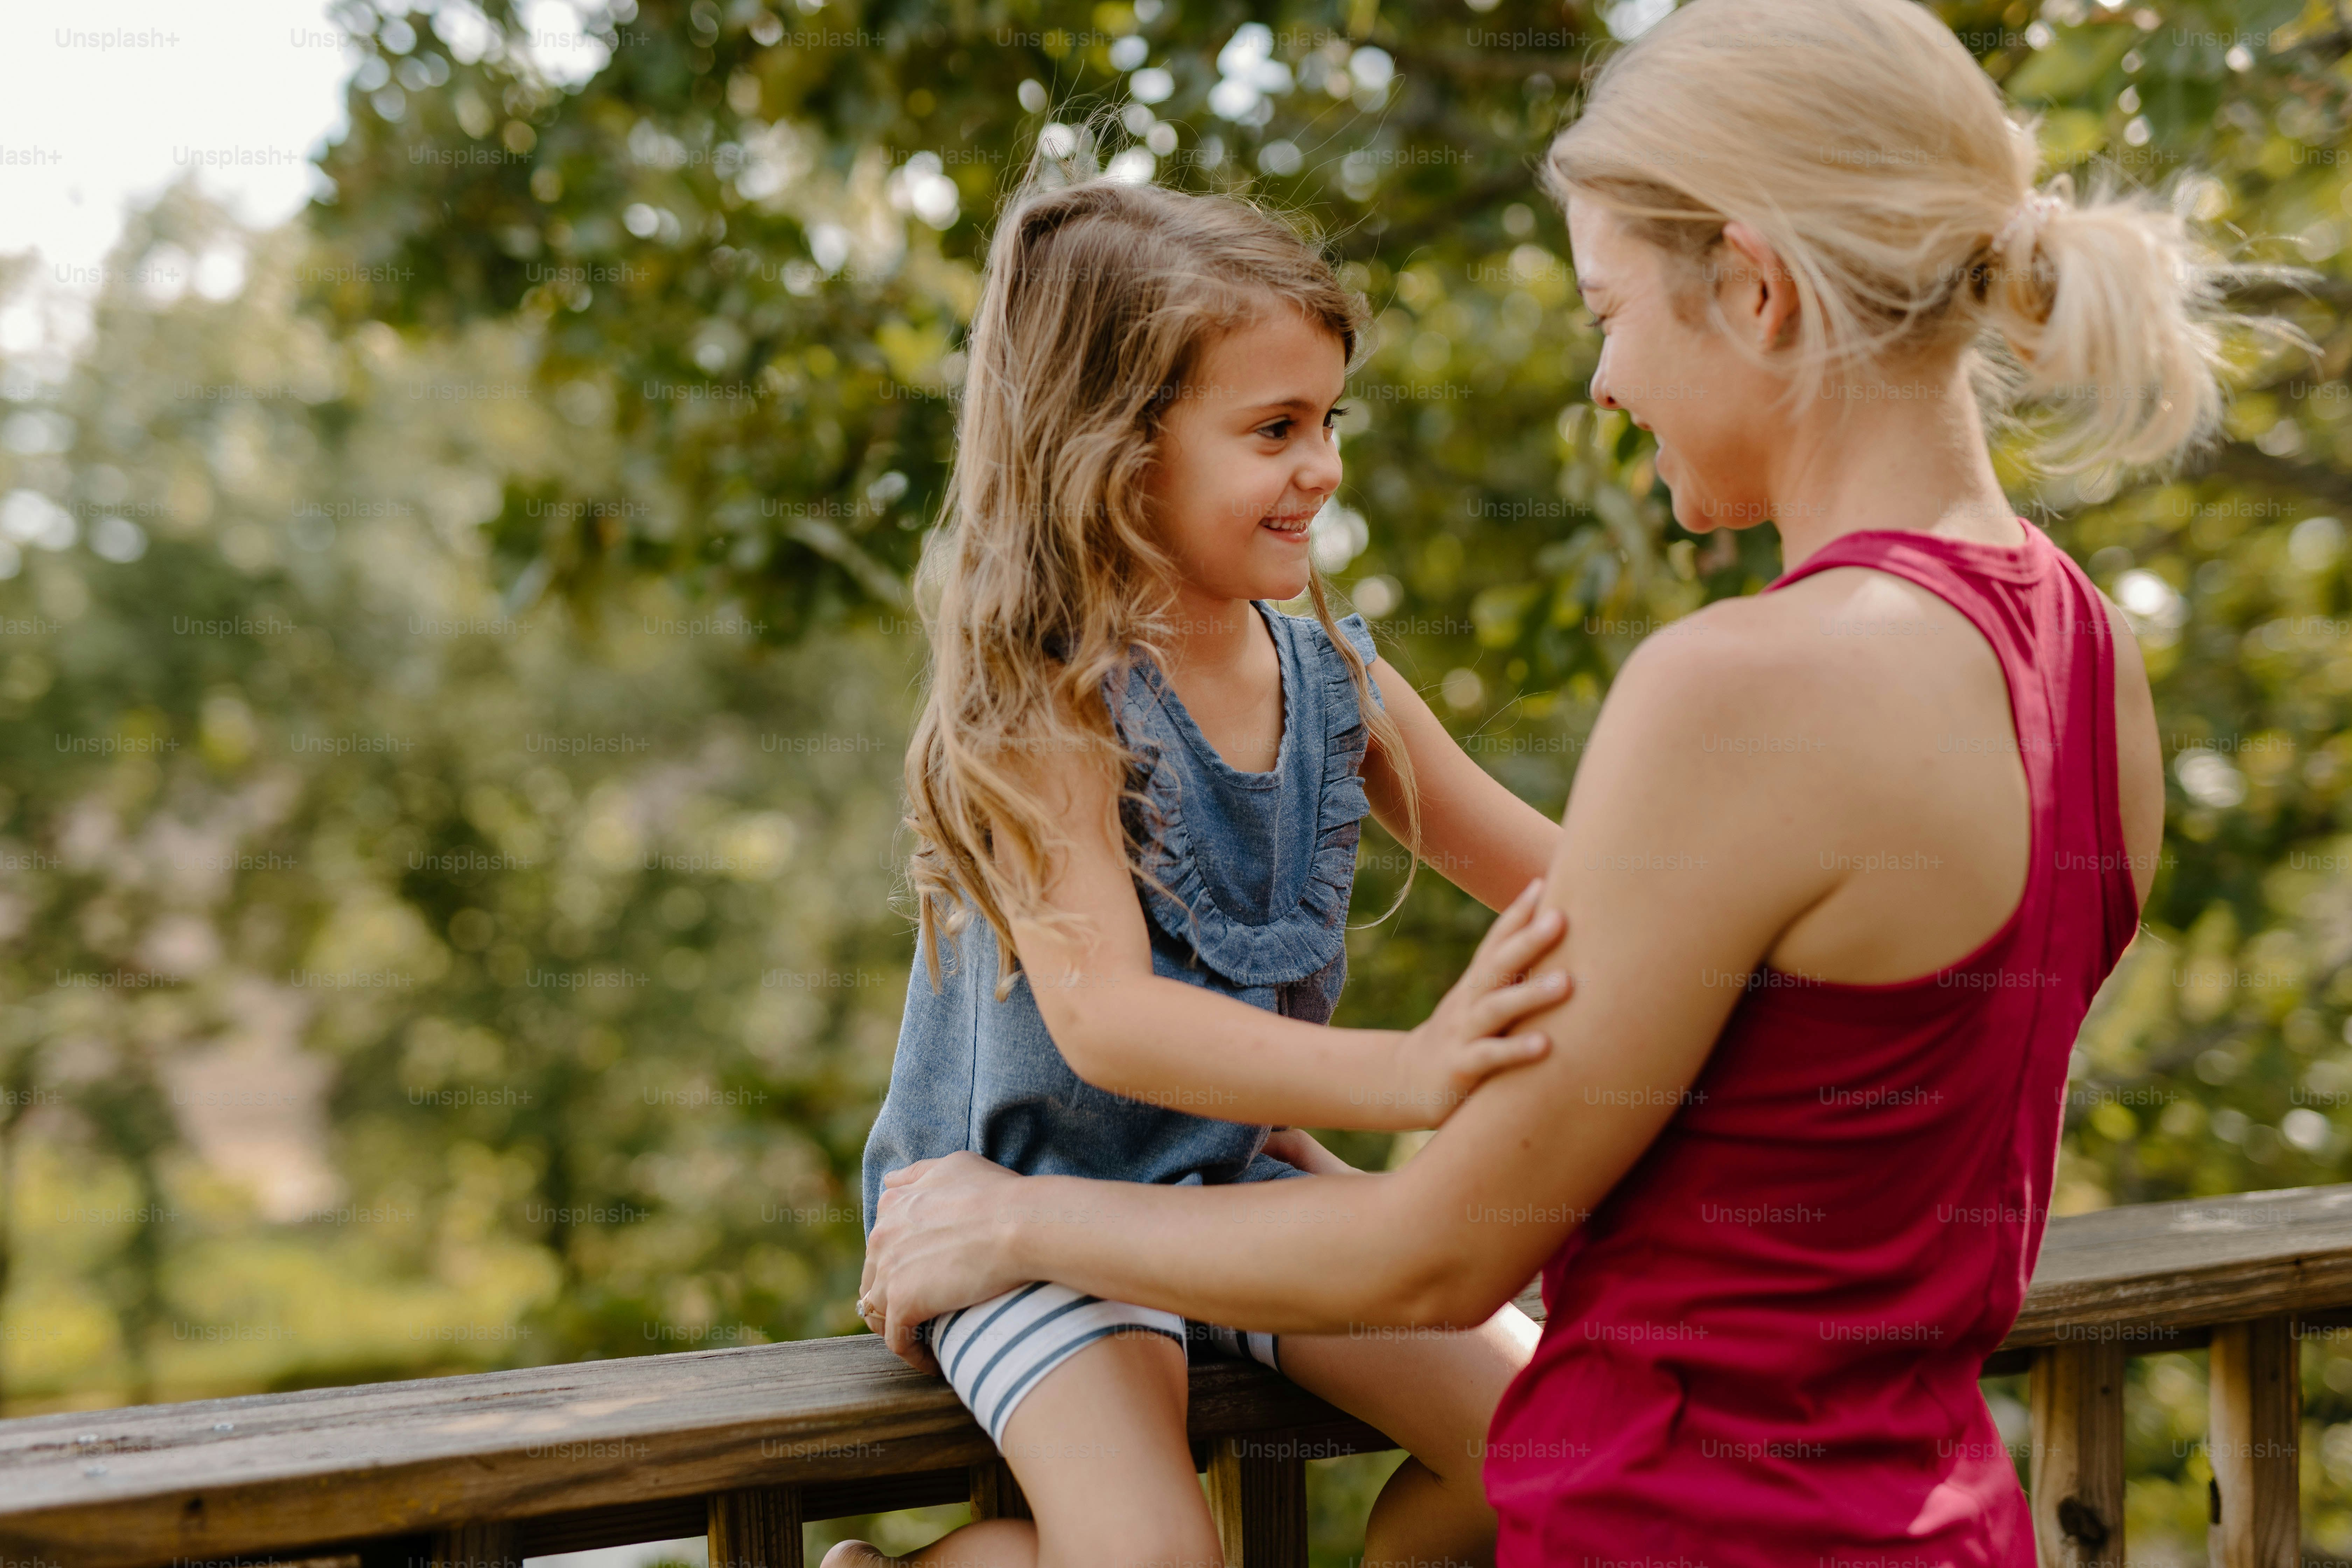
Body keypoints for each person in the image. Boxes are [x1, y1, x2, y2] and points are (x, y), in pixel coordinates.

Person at [855, 0, 2264, 1558]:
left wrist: (1013, 1213)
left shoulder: (1744, 687)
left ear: (1752, 285)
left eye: (1610, 308)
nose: (1605, 380)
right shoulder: (2085, 657)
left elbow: (1433, 1250)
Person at [829, 163, 1578, 1568]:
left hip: (1233, 1195)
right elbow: (1109, 1021)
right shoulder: (1053, 699)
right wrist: (1409, 1073)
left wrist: (1788, 914)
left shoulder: (1338, 683)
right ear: (1122, 452)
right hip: (1016, 1210)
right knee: (1153, 1556)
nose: (1326, 465)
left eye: (1329, 419)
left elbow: (1571, 889)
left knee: (1549, 1439)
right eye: (1276, 428)